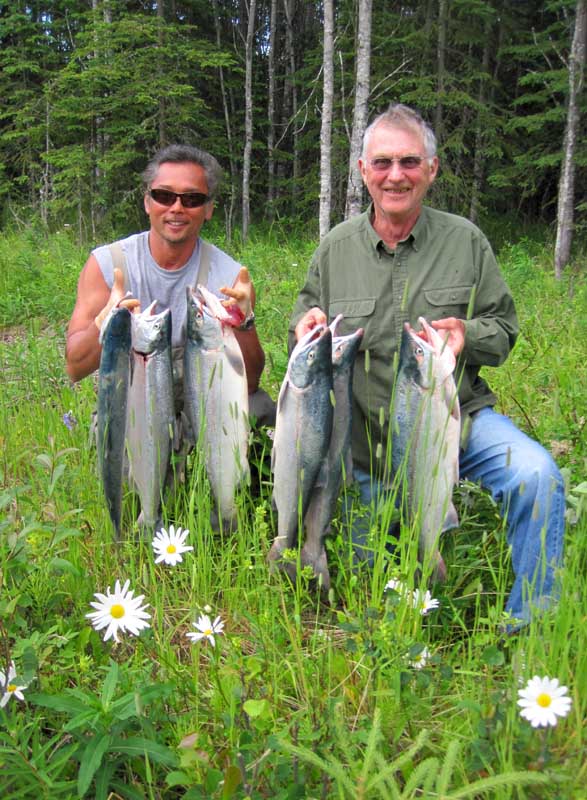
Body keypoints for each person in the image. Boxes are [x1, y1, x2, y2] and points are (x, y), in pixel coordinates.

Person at [289, 104, 565, 630]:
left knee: (539, 477)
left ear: (432, 170)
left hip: (457, 422)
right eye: (384, 162)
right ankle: (417, 591)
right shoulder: (334, 249)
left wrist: (469, 335)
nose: (397, 175)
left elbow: (503, 331)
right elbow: (303, 330)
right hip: (364, 444)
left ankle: (528, 627)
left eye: (410, 162)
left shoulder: (466, 242)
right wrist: (309, 328)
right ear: (363, 170)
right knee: (370, 591)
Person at [66, 143, 276, 471]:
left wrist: (244, 321)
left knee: (260, 410)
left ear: (208, 209)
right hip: (136, 405)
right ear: (147, 201)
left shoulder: (230, 276)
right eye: (165, 195)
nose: (177, 208)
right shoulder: (107, 264)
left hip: (203, 402)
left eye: (191, 199)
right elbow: (75, 366)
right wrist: (105, 324)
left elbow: (249, 382)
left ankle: (234, 498)